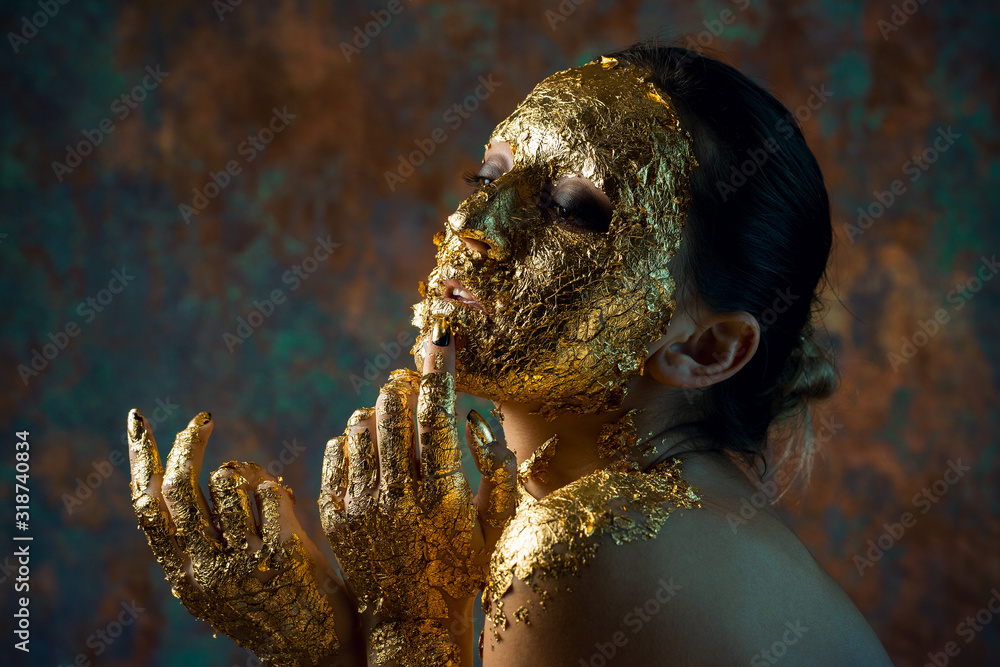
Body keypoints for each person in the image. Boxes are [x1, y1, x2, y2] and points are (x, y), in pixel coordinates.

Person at [127, 41, 893, 666]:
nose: (471, 218)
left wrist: (408, 617)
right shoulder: (652, 516)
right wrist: (333, 633)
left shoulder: (587, 548)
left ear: (704, 346)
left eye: (566, 208)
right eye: (488, 174)